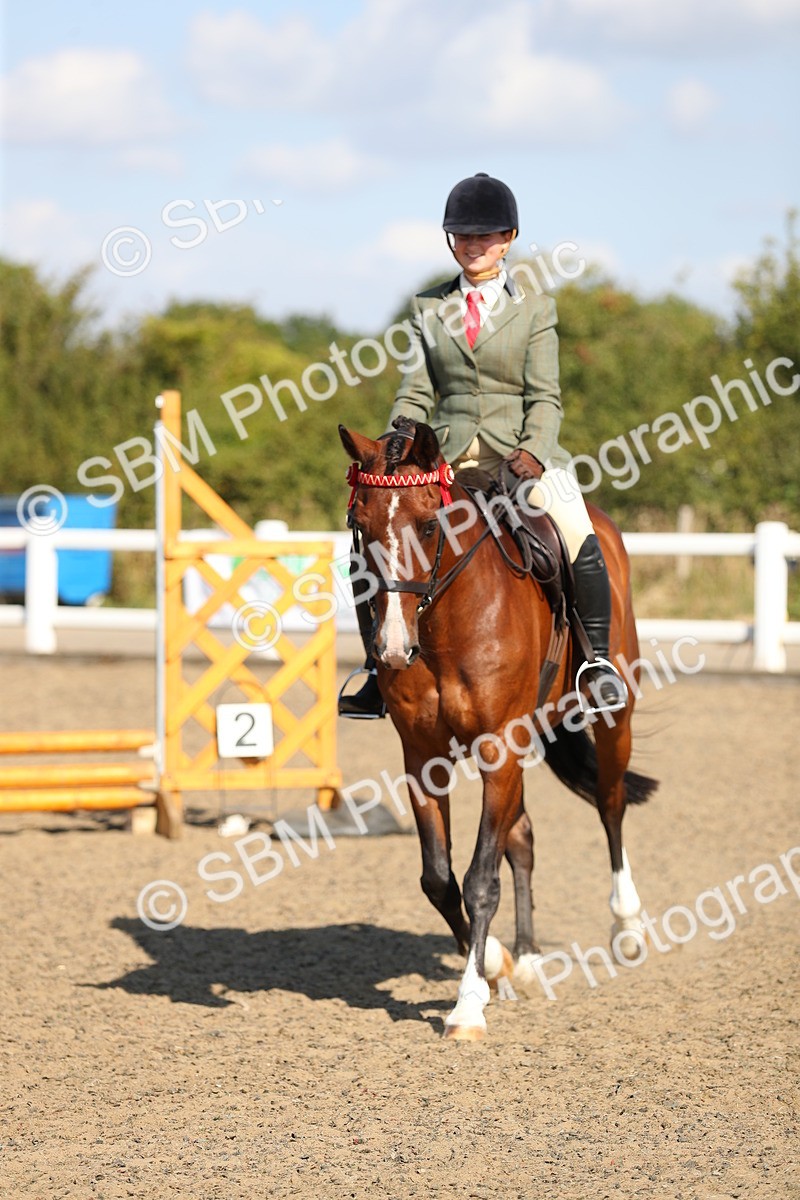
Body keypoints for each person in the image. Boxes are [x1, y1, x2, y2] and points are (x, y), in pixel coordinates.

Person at [339, 171, 628, 718]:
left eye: (487, 236)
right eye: (464, 236)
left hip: (521, 457)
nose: (474, 246)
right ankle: (378, 670)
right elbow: (416, 388)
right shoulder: (429, 307)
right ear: (452, 240)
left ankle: (596, 662)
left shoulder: (536, 309)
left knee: (576, 529)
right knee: (368, 545)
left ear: (509, 239)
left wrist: (536, 450)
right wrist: (398, 438)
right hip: (443, 460)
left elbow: (546, 396)